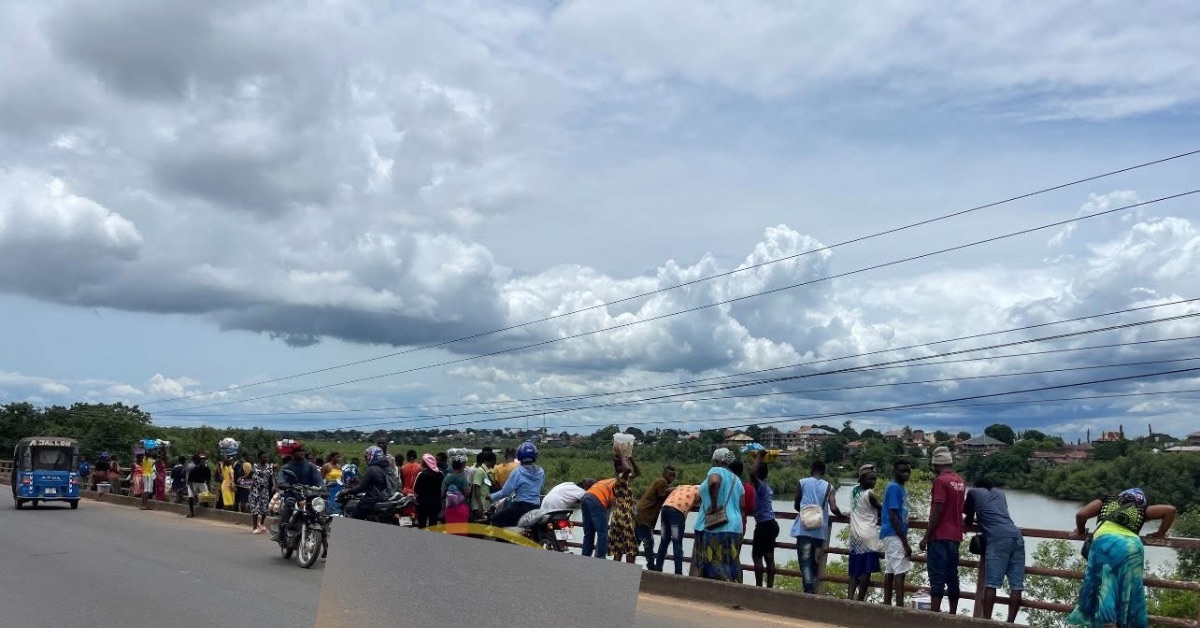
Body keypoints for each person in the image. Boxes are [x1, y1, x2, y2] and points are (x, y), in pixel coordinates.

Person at [1068, 488, 1177, 628]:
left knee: (1103, 589)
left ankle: (1106, 623)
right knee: (1128, 588)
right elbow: (1170, 510)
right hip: (1132, 548)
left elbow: (1081, 515)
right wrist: (1160, 533)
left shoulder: (1106, 500)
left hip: (1105, 545)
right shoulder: (1141, 508)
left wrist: (1081, 531)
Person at [964, 477, 1024, 622]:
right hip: (1017, 536)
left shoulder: (973, 492)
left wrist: (969, 522)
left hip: (997, 539)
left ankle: (987, 621)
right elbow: (997, 513)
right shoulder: (1000, 493)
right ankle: (1010, 623)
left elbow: (969, 517)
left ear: (977, 486)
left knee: (991, 584)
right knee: (1016, 585)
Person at [919, 447, 967, 614]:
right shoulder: (960, 481)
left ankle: (934, 617)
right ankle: (952, 616)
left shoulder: (940, 481)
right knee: (952, 577)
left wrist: (926, 537)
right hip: (955, 536)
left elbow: (938, 510)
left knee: (937, 578)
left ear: (935, 464)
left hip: (940, 536)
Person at [690, 448, 744, 582]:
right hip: (735, 527)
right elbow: (742, 504)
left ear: (716, 461)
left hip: (714, 525)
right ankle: (736, 591)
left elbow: (714, 482)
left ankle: (716, 596)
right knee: (731, 562)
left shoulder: (716, 470)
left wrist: (714, 506)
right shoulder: (736, 479)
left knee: (712, 563)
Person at [790, 458, 842, 594]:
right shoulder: (829, 487)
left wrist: (805, 511)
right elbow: (833, 507)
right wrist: (842, 515)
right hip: (820, 531)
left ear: (811, 469)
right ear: (824, 471)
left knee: (805, 562)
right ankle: (811, 587)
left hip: (803, 528)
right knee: (814, 563)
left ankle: (808, 589)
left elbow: (796, 504)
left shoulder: (802, 482)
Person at [488, 441, 545, 528]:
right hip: (536, 507)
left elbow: (505, 492)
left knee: (495, 519)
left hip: (520, 508)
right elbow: (541, 488)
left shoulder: (518, 472)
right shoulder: (541, 471)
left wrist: (491, 497)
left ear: (519, 456)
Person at [881, 458, 913, 607]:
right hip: (894, 534)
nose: (906, 473)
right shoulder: (894, 487)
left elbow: (899, 512)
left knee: (891, 570)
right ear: (895, 472)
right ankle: (899, 607)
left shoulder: (900, 487)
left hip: (891, 534)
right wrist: (905, 542)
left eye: (908, 470)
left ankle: (887, 603)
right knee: (900, 571)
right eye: (903, 471)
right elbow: (893, 515)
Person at [848, 464, 882, 601]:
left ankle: (850, 599)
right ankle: (860, 600)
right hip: (869, 536)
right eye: (870, 479)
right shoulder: (870, 495)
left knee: (854, 572)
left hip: (855, 536)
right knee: (866, 571)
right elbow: (883, 510)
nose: (873, 482)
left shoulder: (853, 490)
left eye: (874, 479)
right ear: (862, 478)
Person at [636, 466, 676, 570]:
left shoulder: (660, 481)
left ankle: (629, 562)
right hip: (646, 515)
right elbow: (662, 496)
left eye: (674, 476)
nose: (672, 478)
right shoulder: (662, 482)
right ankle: (651, 567)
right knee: (648, 542)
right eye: (670, 475)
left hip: (642, 513)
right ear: (664, 474)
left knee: (636, 541)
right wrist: (672, 491)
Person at [749, 449, 778, 588]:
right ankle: (770, 588)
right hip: (771, 524)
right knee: (769, 556)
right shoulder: (766, 486)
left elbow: (751, 472)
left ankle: (759, 587)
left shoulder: (759, 485)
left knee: (757, 557)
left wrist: (759, 456)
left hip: (763, 525)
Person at [656, 483, 699, 575]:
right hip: (677, 512)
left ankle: (657, 568)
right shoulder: (700, 489)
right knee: (677, 541)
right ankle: (678, 572)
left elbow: (668, 490)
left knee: (664, 540)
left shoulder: (681, 486)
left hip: (665, 508)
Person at [607, 455, 642, 564]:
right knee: (630, 547)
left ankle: (616, 574)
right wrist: (622, 455)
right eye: (625, 463)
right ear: (619, 467)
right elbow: (628, 469)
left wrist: (631, 459)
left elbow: (637, 472)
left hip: (617, 515)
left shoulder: (624, 479)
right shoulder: (621, 477)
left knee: (618, 547)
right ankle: (629, 574)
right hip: (624, 515)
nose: (627, 464)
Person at [343, 446, 391, 521]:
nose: (366, 460)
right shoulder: (387, 467)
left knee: (354, 517)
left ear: (373, 456)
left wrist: (348, 491)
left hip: (372, 499)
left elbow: (361, 487)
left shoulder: (371, 469)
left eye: (367, 457)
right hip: (386, 497)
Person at [729, 460, 756, 552]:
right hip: (740, 527)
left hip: (723, 526)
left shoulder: (725, 486)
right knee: (734, 557)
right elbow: (752, 508)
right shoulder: (748, 488)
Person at [413, 453, 445, 528]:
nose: (421, 462)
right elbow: (443, 489)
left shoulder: (421, 474)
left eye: (423, 461)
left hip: (422, 503)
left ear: (426, 463)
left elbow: (415, 489)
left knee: (422, 524)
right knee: (433, 523)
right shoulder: (440, 474)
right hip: (435, 503)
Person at [442, 455, 471, 532]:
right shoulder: (464, 479)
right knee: (461, 531)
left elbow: (442, 493)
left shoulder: (447, 478)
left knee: (450, 530)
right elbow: (467, 494)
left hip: (449, 508)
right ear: (462, 466)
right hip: (461, 508)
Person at [249, 452, 274, 533]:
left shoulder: (269, 467)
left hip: (265, 490)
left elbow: (272, 478)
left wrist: (274, 486)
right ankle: (254, 527)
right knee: (255, 508)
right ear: (259, 458)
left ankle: (262, 523)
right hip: (255, 490)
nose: (265, 459)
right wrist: (242, 478)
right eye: (264, 457)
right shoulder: (255, 467)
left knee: (265, 508)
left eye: (266, 457)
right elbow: (249, 475)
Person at [470, 450, 497, 520]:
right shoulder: (480, 471)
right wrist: (480, 505)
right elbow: (476, 488)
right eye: (495, 461)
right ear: (492, 461)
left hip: (485, 505)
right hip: (479, 507)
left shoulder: (487, 471)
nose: (495, 463)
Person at [185, 454, 211, 518]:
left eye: (204, 460)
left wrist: (209, 491)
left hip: (201, 482)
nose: (203, 461)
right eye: (202, 460)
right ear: (199, 461)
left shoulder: (207, 470)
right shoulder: (194, 470)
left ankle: (206, 509)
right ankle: (191, 513)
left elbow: (208, 481)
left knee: (206, 495)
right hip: (192, 483)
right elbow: (189, 482)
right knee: (191, 497)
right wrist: (194, 494)